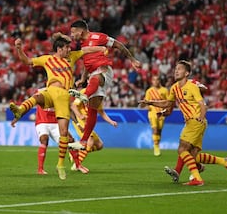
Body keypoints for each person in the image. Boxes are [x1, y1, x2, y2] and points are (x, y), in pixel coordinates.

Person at [9, 32, 106, 180]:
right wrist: (18, 49)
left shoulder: (72, 57)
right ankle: (20, 109)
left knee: (64, 132)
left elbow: (86, 50)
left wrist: (100, 49)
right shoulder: (47, 59)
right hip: (50, 91)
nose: (69, 50)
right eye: (67, 48)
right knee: (38, 97)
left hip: (63, 96)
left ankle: (60, 164)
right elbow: (27, 61)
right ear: (59, 49)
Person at [139, 60, 227, 186]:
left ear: (187, 73)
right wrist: (151, 103)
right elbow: (168, 105)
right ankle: (225, 161)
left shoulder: (192, 86)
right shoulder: (174, 88)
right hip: (193, 122)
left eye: (179, 69)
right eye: (175, 68)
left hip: (195, 121)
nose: (176, 70)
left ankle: (197, 179)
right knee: (193, 156)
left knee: (182, 149)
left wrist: (201, 117)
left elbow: (202, 104)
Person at [68, 19, 141, 150]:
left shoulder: (98, 37)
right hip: (93, 75)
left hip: (104, 70)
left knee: (96, 76)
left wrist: (132, 59)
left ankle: (84, 95)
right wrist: (82, 79)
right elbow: (87, 64)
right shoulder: (83, 46)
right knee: (92, 109)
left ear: (81, 30)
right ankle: (83, 142)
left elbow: (118, 44)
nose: (72, 35)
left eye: (73, 32)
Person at [34, 104, 89, 175]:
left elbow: (68, 109)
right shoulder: (41, 93)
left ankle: (78, 165)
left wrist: (78, 124)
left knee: (70, 140)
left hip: (56, 122)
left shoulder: (61, 95)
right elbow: (31, 102)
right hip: (42, 122)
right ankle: (40, 169)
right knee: (44, 139)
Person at [70, 88, 118, 169]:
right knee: (90, 141)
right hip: (80, 121)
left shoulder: (97, 97)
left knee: (99, 145)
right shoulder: (84, 92)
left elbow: (101, 112)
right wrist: (80, 116)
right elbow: (74, 106)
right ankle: (77, 165)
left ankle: (76, 151)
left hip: (88, 123)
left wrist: (111, 121)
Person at [140, 75, 169, 156]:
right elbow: (147, 102)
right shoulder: (149, 91)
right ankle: (156, 146)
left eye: (157, 80)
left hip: (161, 113)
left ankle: (157, 145)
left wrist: (167, 109)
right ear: (152, 81)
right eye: (154, 80)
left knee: (159, 131)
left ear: (159, 81)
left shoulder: (165, 90)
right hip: (152, 112)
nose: (156, 81)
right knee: (155, 129)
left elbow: (168, 102)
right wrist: (147, 106)